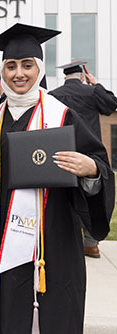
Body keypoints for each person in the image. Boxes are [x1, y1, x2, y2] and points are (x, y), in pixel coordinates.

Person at [0, 23, 115, 334]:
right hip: (1, 242)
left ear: (39, 69)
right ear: (2, 71)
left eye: (27, 65)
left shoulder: (62, 116)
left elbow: (99, 167)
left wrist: (91, 170)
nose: (19, 74)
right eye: (11, 66)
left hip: (52, 244)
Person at [49, 61, 117, 258]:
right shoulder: (91, 92)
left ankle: (65, 242)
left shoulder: (53, 95)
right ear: (81, 77)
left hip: (61, 153)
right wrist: (96, 85)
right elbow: (112, 104)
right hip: (88, 154)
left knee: (62, 198)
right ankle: (90, 244)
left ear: (64, 78)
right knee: (91, 195)